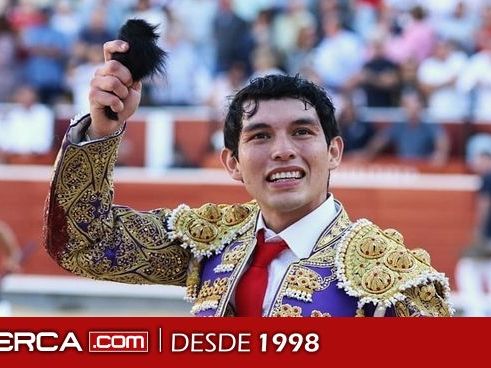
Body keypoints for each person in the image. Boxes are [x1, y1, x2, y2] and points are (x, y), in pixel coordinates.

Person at [43, 40, 452, 317]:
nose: (282, 150)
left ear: (334, 152)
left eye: (302, 131)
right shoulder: (209, 239)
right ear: (232, 164)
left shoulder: (394, 280)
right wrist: (102, 129)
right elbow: (85, 244)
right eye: (259, 136)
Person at [455, 135, 491, 316]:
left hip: (488, 235)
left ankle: (475, 311)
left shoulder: (487, 178)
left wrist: (480, 231)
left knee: (467, 267)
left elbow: (485, 204)